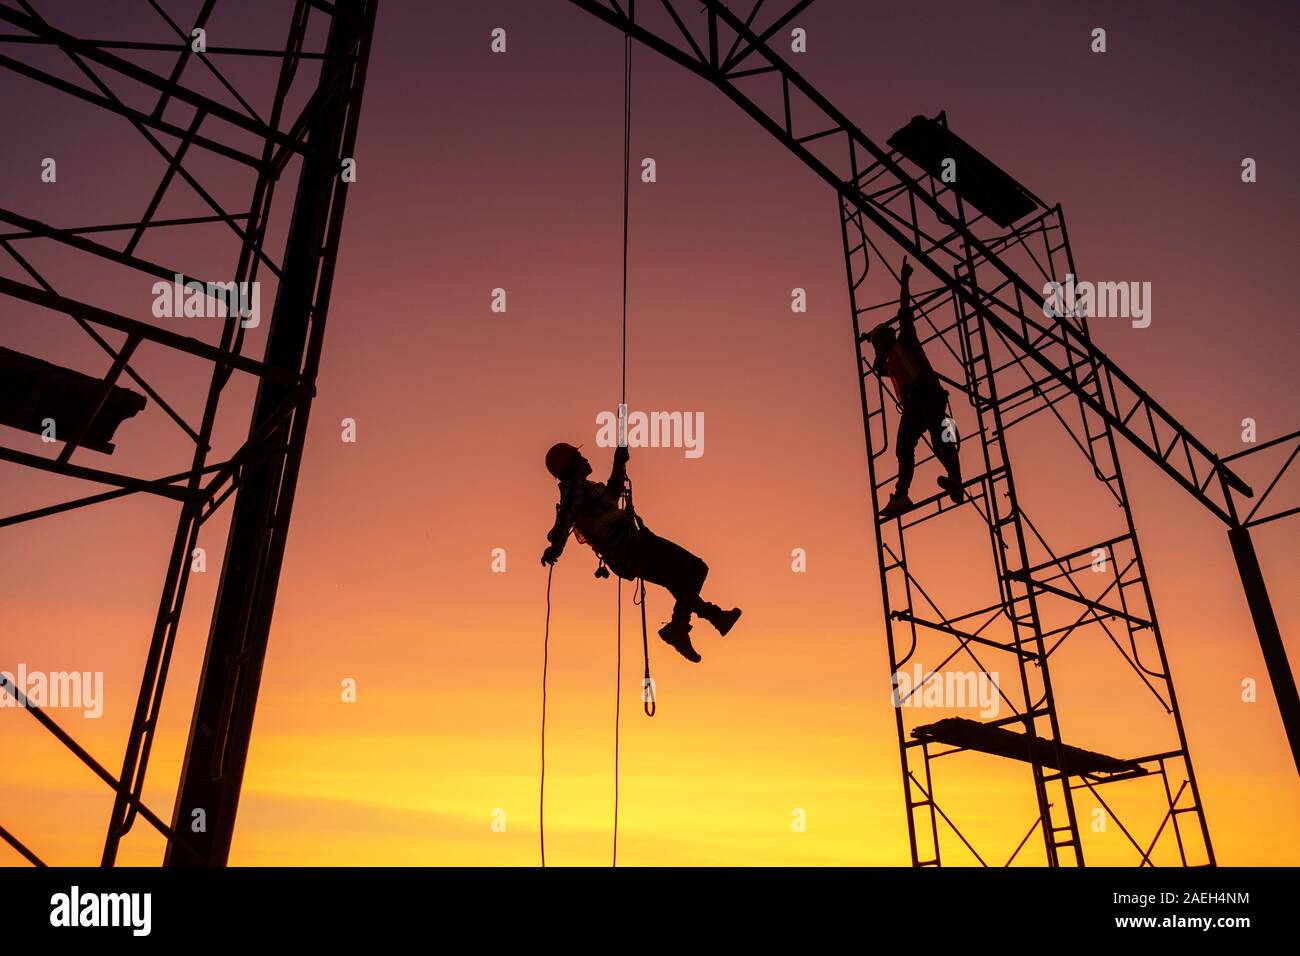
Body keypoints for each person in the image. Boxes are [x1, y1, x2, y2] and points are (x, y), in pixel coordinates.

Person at [539, 442, 740, 663]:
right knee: (696, 568)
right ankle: (683, 627)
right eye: (579, 456)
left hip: (628, 550)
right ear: (572, 465)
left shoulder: (587, 489)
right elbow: (566, 516)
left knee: (679, 581)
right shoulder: (575, 487)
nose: (586, 458)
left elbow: (612, 493)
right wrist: (555, 546)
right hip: (629, 547)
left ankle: (712, 617)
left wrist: (619, 462)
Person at [864, 258, 963, 519]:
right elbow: (879, 366)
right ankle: (902, 495)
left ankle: (955, 479)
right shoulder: (888, 360)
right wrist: (869, 341)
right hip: (914, 405)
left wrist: (905, 281)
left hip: (927, 396)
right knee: (903, 447)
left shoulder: (905, 340)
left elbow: (904, 312)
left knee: (941, 438)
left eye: (882, 338)